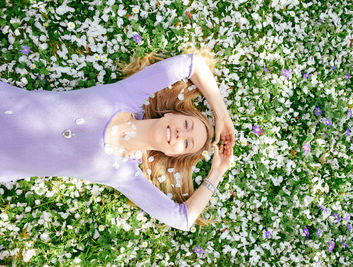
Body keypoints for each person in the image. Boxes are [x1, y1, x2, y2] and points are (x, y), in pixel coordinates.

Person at [0, 46, 235, 231]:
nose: (180, 134)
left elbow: (183, 220)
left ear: (173, 154)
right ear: (172, 113)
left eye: (186, 143)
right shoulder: (129, 94)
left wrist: (218, 171)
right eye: (186, 125)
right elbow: (193, 64)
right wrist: (222, 116)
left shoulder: (125, 175)